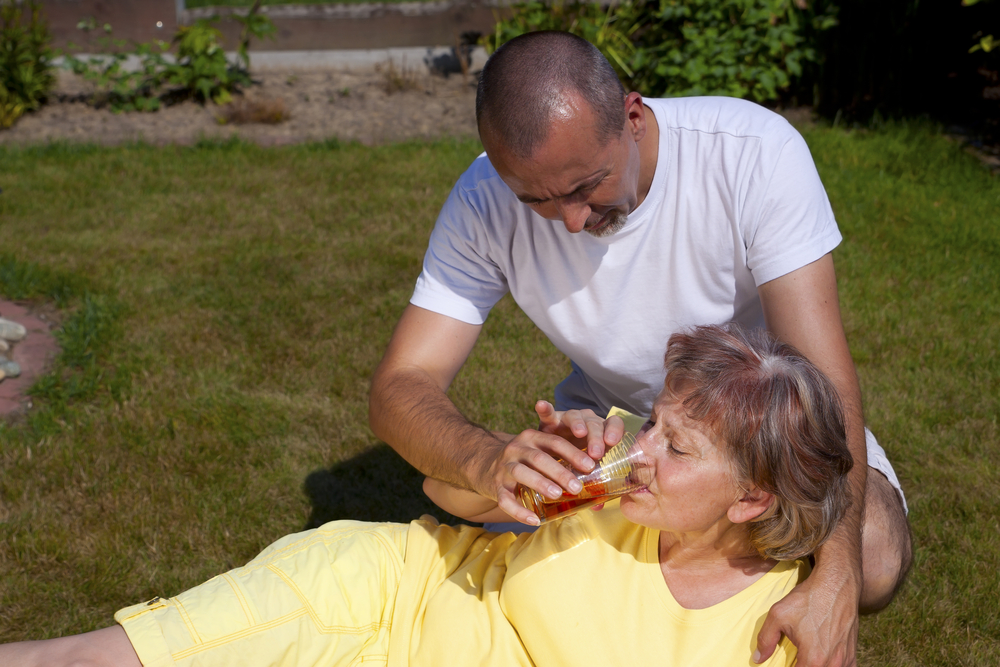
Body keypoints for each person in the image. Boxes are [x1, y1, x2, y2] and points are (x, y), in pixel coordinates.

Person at [368, 30, 911, 667]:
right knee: (478, 506)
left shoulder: (752, 154)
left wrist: (838, 575)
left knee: (871, 559)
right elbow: (400, 384)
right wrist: (487, 459)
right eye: (535, 200)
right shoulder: (483, 200)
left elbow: (824, 379)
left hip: (770, 427)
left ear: (632, 115)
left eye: (585, 186)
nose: (570, 220)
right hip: (615, 433)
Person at [2, 324, 854, 667]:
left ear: (751, 499)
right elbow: (439, 491)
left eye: (678, 444)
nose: (644, 447)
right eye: (656, 420)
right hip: (384, 597)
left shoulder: (770, 631)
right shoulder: (610, 475)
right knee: (96, 662)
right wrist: (504, 473)